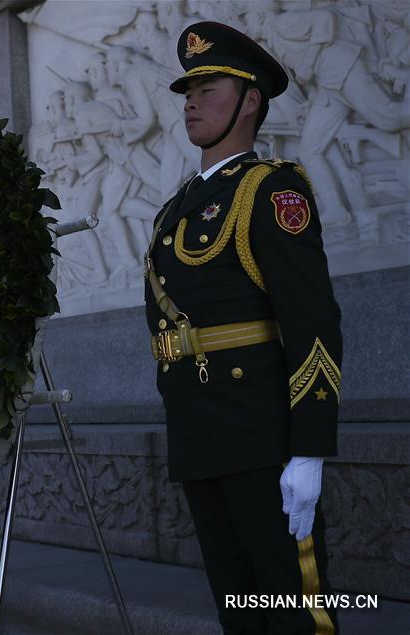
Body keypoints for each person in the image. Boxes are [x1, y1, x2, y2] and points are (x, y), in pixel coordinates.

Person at [144, 23, 342, 634]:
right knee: (239, 607)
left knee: (295, 604)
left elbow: (313, 321)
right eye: (188, 89)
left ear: (251, 99)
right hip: (199, 431)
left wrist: (308, 448)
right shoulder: (174, 207)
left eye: (209, 86)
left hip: (262, 434)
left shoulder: (271, 190)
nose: (191, 101)